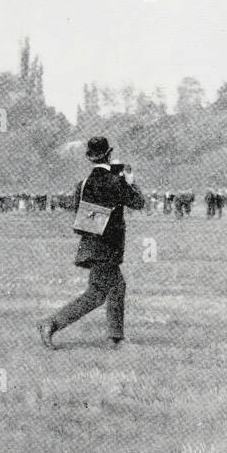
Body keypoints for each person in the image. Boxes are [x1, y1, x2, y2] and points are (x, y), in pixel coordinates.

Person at [39, 137, 144, 350]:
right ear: (109, 155)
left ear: (90, 158)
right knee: (107, 290)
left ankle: (113, 338)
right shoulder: (116, 181)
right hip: (108, 247)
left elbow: (80, 212)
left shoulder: (83, 183)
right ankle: (54, 324)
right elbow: (138, 202)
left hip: (90, 244)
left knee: (104, 291)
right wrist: (130, 180)